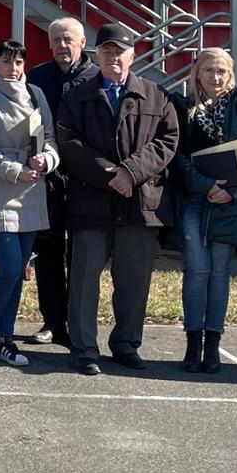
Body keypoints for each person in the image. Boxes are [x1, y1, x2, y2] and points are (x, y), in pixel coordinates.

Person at [56, 25, 180, 376]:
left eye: (119, 52)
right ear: (96, 55)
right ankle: (84, 348)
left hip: (139, 203)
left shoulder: (156, 95)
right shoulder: (75, 95)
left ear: (133, 55)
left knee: (134, 280)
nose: (113, 58)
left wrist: (130, 172)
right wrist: (111, 175)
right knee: (84, 281)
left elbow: (168, 141)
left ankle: (126, 344)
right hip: (91, 202)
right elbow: (68, 143)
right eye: (106, 52)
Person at [0, 40, 60, 368]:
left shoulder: (36, 94)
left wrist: (47, 161)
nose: (13, 68)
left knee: (19, 272)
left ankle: (5, 338)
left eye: (18, 62)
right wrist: (14, 170)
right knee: (10, 266)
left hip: (31, 188)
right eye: (6, 61)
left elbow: (49, 138)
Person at [167, 48, 237, 374]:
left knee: (220, 274)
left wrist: (234, 192)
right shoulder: (183, 109)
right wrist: (206, 185)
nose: (216, 77)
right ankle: (193, 343)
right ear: (197, 73)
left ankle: (212, 346)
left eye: (222, 71)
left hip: (229, 205)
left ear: (231, 75)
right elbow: (177, 157)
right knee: (197, 271)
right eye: (209, 70)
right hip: (194, 200)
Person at [26, 17, 91, 348]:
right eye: (56, 40)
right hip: (47, 179)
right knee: (48, 253)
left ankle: (79, 323)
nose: (62, 46)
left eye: (68, 39)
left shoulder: (96, 78)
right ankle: (53, 321)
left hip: (86, 180)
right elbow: (29, 125)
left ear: (82, 43)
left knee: (81, 256)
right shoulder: (36, 78)